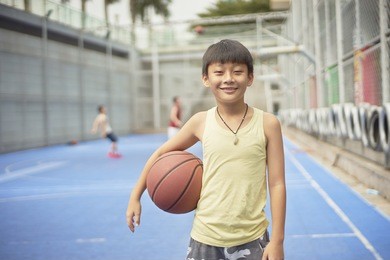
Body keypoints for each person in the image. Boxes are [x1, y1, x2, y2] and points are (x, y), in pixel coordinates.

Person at [126, 39, 286, 260]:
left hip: (253, 238)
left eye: (237, 72)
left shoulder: (268, 124)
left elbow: (277, 184)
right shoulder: (200, 122)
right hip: (205, 237)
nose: (228, 79)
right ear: (205, 78)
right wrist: (136, 195)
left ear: (250, 78)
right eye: (219, 72)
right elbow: (161, 154)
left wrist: (277, 240)